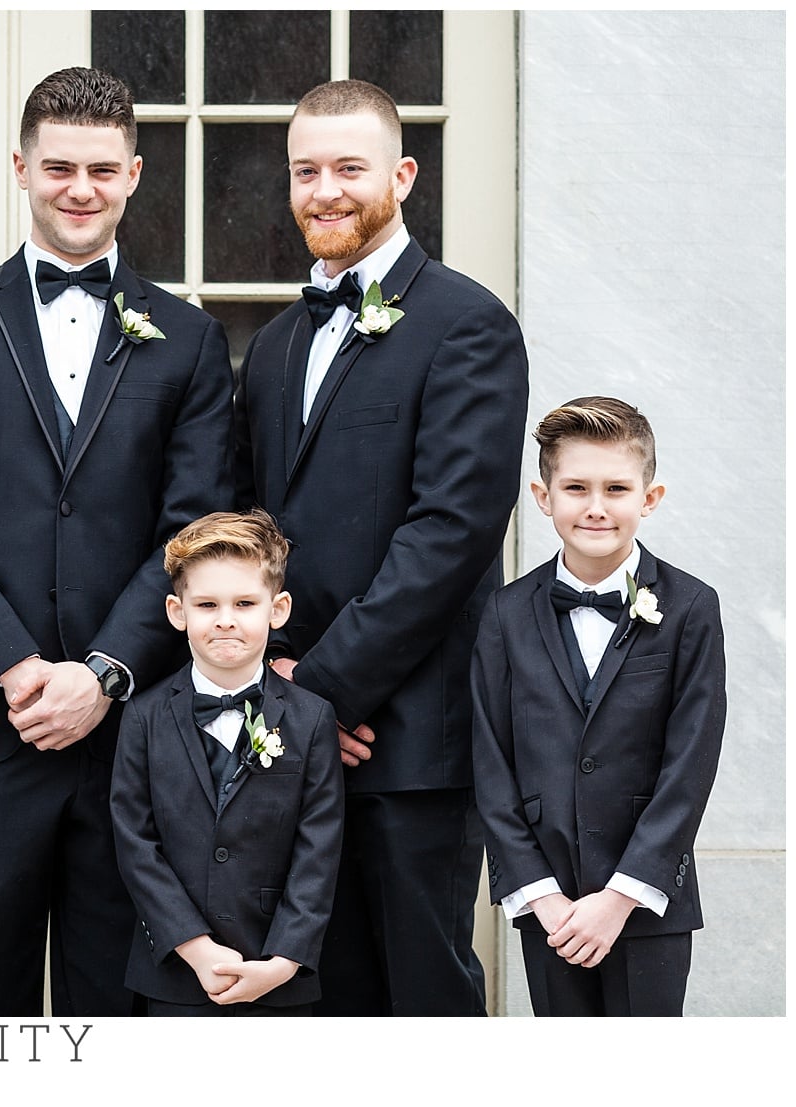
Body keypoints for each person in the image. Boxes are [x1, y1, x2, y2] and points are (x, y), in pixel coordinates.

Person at [0, 66, 233, 1015]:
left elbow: (193, 525)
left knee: (114, 1005)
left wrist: (107, 669)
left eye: (101, 169)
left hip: (134, 733)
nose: (80, 189)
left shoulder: (190, 339)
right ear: (21, 168)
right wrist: (14, 666)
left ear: (133, 175)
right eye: (60, 168)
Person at [230, 78, 529, 1016]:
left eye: (349, 168)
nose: (326, 190)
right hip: (294, 733)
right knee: (312, 994)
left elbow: (449, 536)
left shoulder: (468, 326)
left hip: (409, 740)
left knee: (421, 994)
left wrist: (320, 691)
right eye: (306, 170)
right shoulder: (276, 345)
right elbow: (255, 533)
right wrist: (279, 683)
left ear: (402, 174)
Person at [474, 398, 725, 1016]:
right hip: (549, 904)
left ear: (650, 497)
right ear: (542, 495)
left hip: (648, 899)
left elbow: (691, 761)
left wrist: (622, 895)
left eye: (616, 488)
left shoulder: (692, 607)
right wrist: (540, 896)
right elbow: (491, 758)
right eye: (575, 487)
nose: (595, 506)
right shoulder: (506, 613)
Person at [110, 510, 344, 1015]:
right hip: (173, 972)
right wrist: (194, 947)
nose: (225, 619)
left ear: (277, 609)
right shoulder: (143, 716)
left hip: (278, 971)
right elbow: (135, 842)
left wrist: (284, 960)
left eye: (244, 603)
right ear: (178, 611)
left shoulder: (312, 717)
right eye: (207, 604)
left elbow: (318, 849)